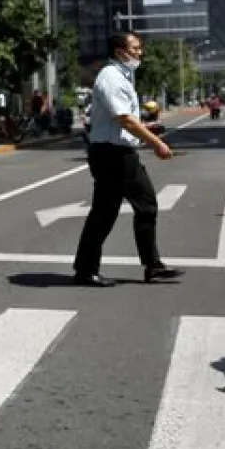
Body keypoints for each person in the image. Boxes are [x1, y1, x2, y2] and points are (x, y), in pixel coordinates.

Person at [71, 32, 184, 287]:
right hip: (112, 154)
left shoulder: (122, 76)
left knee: (125, 208)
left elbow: (129, 119)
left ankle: (144, 265)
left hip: (117, 152)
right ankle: (92, 269)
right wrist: (157, 144)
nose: (140, 52)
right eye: (135, 48)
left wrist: (148, 131)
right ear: (120, 52)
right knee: (128, 208)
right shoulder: (111, 78)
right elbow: (124, 119)